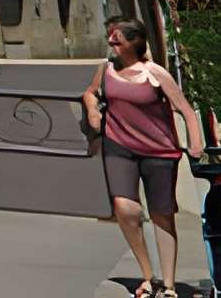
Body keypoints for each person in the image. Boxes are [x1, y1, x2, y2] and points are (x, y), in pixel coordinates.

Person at [85, 16, 205, 298]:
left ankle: (170, 285)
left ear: (132, 43)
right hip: (119, 146)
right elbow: (91, 92)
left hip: (159, 151)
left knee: (162, 214)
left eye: (117, 39)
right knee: (125, 209)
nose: (111, 43)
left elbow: (185, 110)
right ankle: (148, 276)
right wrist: (92, 108)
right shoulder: (106, 69)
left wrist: (195, 143)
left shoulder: (155, 73)